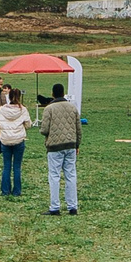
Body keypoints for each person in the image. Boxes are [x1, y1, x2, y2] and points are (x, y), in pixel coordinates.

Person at [40, 82, 82, 214]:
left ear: (52, 94)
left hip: (54, 146)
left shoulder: (49, 108)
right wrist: (77, 144)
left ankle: (54, 207)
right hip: (70, 145)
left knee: (54, 176)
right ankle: (72, 206)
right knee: (71, 175)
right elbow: (78, 129)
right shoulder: (72, 107)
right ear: (63, 93)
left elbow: (44, 129)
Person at [0, 89, 30, 198]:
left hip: (5, 140)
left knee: (6, 166)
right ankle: (17, 191)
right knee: (17, 167)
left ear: (9, 97)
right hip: (19, 139)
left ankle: (5, 190)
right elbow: (28, 124)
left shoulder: (2, 109)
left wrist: (2, 134)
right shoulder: (23, 109)